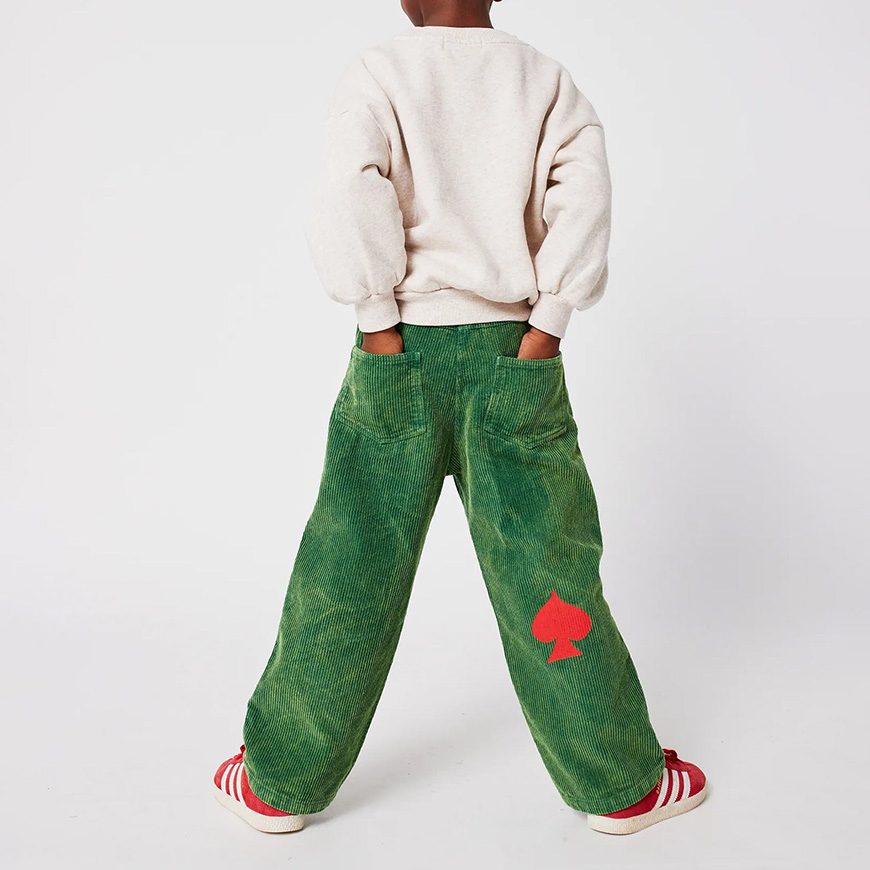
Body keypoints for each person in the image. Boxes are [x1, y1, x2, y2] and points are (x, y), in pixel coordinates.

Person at [213, 0, 707, 836]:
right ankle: (620, 784)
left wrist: (377, 316)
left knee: (351, 560)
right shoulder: (544, 80)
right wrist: (548, 322)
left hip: (397, 353)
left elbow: (349, 191)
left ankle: (279, 781)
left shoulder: (380, 71)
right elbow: (585, 198)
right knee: (547, 568)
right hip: (515, 356)